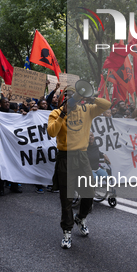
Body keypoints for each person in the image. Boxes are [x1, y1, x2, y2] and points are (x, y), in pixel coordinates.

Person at [47, 86, 111, 249]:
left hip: (82, 157)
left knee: (89, 193)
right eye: (68, 96)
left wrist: (90, 96)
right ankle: (67, 232)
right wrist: (63, 113)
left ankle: (81, 218)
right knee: (66, 199)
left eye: (74, 96)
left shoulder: (86, 109)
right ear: (63, 99)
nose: (72, 99)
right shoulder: (56, 113)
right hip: (65, 157)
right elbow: (52, 132)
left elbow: (106, 105)